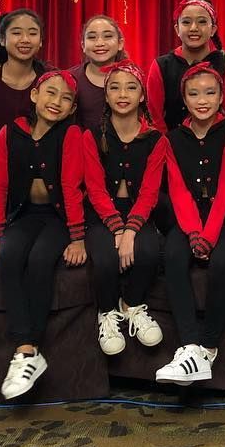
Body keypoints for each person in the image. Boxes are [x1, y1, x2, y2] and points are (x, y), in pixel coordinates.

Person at [0, 70, 85, 400]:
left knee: (41, 260)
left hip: (57, 218)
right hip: (23, 215)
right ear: (34, 95)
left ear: (72, 109)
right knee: (10, 257)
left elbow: (71, 187)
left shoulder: (71, 135)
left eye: (66, 98)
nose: (57, 102)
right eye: (50, 93)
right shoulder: (9, 133)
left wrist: (77, 236)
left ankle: (30, 348)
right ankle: (26, 350)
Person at [155, 63, 225, 385]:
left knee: (222, 262)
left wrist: (208, 236)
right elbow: (179, 190)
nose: (202, 100)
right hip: (189, 220)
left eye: (210, 92)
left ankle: (208, 346)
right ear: (183, 97)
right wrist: (194, 233)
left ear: (222, 95)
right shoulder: (172, 138)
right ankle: (190, 345)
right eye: (194, 93)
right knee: (172, 255)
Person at [81, 61, 166, 355]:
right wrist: (116, 227)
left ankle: (132, 305)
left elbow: (150, 192)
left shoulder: (155, 138)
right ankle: (107, 312)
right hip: (102, 211)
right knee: (104, 259)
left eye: (131, 87)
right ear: (105, 96)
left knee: (149, 251)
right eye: (114, 87)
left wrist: (130, 230)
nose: (122, 94)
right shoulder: (91, 134)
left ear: (142, 95)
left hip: (139, 211)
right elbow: (94, 188)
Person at [0, 9, 50, 231]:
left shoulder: (49, 79)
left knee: (32, 228)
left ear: (40, 41)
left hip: (33, 161)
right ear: (3, 40)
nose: (25, 39)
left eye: (32, 33)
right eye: (16, 33)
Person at [147, 0, 225, 132]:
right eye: (186, 22)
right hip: (170, 146)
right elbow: (154, 118)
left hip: (218, 145)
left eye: (202, 22)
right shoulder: (161, 66)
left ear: (213, 30)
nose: (194, 28)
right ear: (177, 29)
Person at [67, 15, 126, 130]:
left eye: (108, 36)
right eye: (92, 37)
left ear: (120, 43)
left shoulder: (132, 78)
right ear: (83, 45)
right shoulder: (69, 79)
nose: (100, 43)